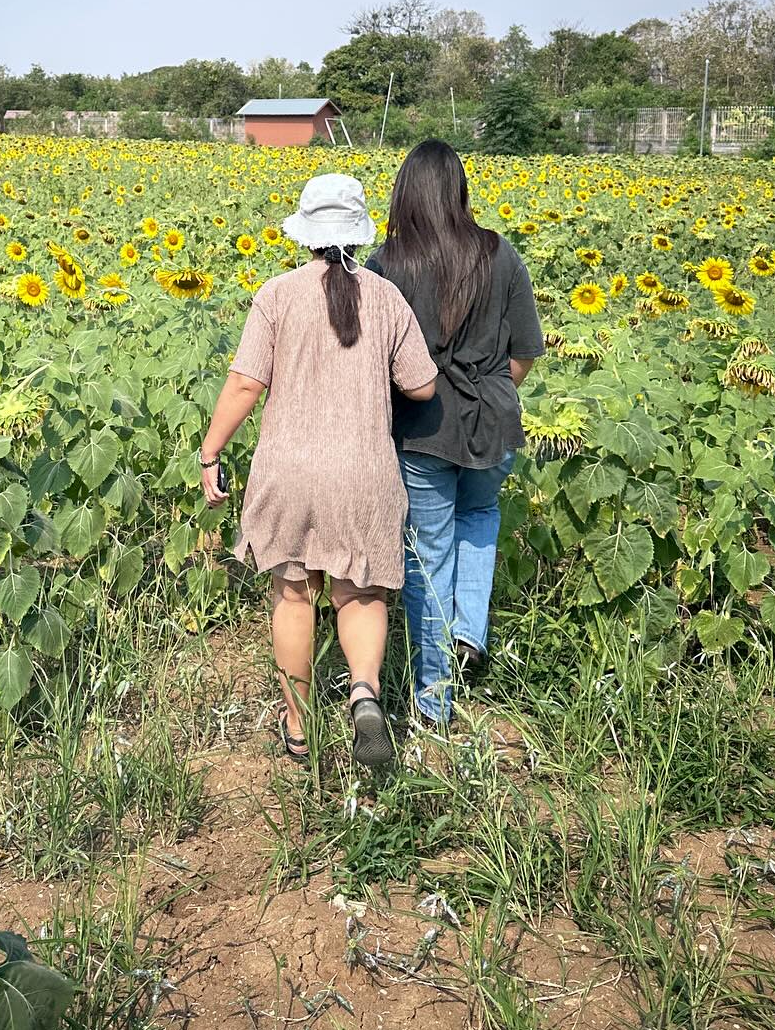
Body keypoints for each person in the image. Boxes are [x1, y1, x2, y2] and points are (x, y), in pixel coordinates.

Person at [199, 173, 438, 768]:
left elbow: (246, 382)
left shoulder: (276, 295)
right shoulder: (386, 297)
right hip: (363, 471)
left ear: (304, 233)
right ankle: (364, 694)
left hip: (290, 470)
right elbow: (422, 384)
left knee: (293, 593)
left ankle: (299, 726)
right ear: (359, 235)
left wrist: (210, 452)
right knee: (361, 593)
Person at [365, 141, 543, 727]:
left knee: (429, 552)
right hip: (493, 416)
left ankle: (433, 702)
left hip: (422, 427)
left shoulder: (388, 263)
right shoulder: (500, 253)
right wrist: (490, 387)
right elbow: (524, 353)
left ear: (404, 193)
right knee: (480, 515)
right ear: (460, 191)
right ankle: (468, 630)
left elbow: (371, 357)